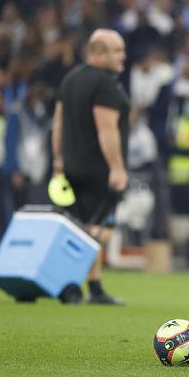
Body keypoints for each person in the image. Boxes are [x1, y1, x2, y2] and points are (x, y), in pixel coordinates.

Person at [51, 28, 130, 305]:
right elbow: (106, 129)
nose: (123, 56)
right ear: (98, 52)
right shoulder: (104, 84)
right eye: (117, 50)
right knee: (99, 229)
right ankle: (72, 280)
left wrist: (58, 159)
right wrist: (117, 168)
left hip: (72, 166)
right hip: (99, 170)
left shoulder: (70, 79)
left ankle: (92, 286)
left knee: (82, 226)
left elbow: (58, 122)